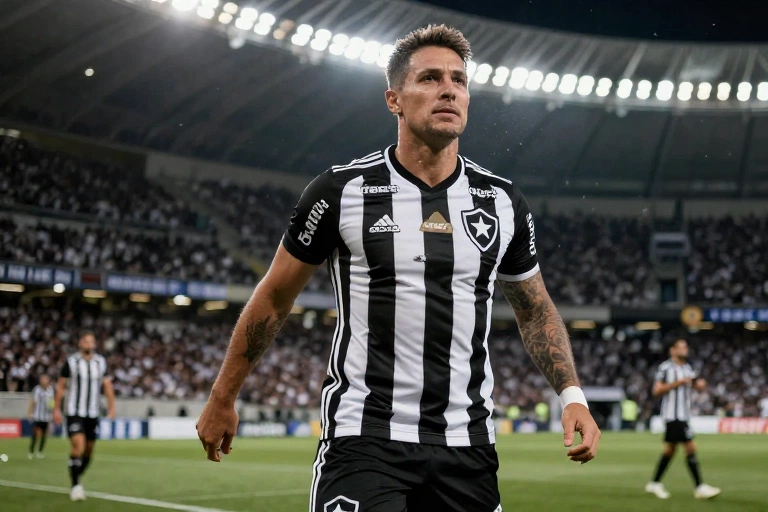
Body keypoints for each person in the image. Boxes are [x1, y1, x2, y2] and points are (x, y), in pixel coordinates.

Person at [196, 24, 600, 511]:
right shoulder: (340, 191)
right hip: (364, 438)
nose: (449, 89)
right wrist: (223, 396)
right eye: (430, 78)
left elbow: (535, 310)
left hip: (467, 444)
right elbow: (276, 297)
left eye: (459, 80)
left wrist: (572, 395)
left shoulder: (501, 201)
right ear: (394, 100)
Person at [645, 338, 720, 500]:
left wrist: (699, 385)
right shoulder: (666, 368)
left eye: (686, 347)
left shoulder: (688, 368)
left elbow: (695, 384)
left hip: (684, 415)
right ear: (673, 350)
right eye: (681, 347)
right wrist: (677, 383)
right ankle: (700, 487)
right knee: (690, 447)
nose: (685, 350)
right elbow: (656, 390)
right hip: (673, 415)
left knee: (670, 450)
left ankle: (654, 483)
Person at [53, 329, 115, 502]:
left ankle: (76, 475)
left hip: (93, 413)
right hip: (74, 411)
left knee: (88, 451)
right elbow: (61, 386)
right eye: (86, 341)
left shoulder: (100, 362)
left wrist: (112, 408)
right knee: (78, 445)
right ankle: (75, 486)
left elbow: (108, 386)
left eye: (92, 341)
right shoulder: (71, 362)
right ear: (80, 343)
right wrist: (56, 409)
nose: (89, 344)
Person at [27, 374, 54, 459]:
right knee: (35, 434)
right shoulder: (36, 389)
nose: (45, 381)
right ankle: (31, 451)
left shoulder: (50, 390)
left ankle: (40, 452)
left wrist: (52, 411)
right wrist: (30, 413)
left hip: (46, 417)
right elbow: (33, 401)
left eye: (46, 379)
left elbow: (52, 402)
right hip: (37, 416)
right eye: (43, 379)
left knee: (44, 435)